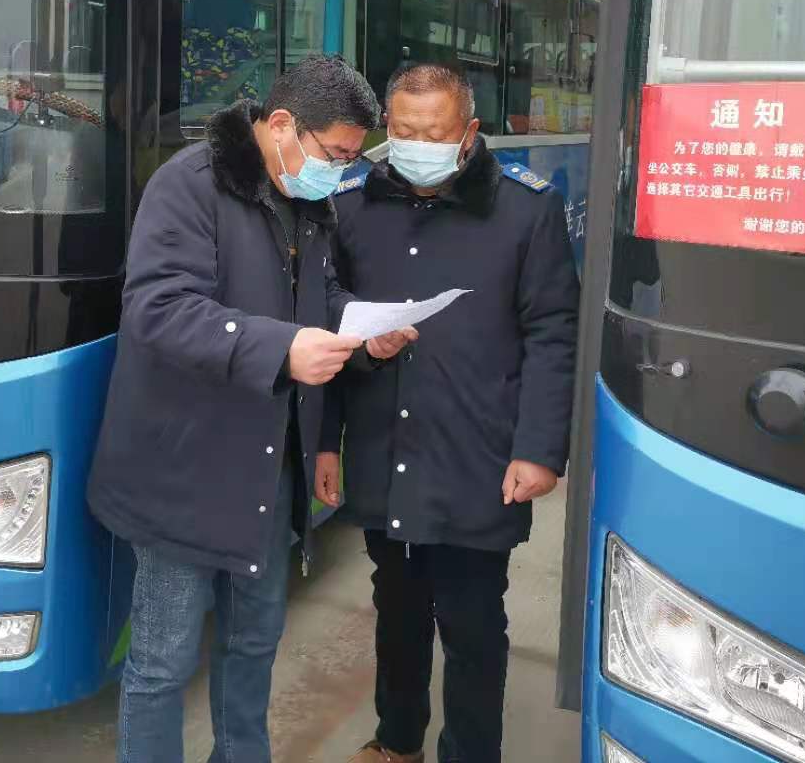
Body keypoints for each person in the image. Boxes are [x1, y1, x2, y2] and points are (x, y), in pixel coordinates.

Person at [88, 55, 412, 763]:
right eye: (336, 155)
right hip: (183, 474)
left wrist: (363, 331)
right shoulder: (190, 185)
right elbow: (159, 308)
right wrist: (282, 347)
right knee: (163, 662)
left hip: (269, 469)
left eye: (352, 160)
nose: (341, 172)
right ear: (283, 125)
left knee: (253, 643)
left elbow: (317, 299)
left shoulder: (307, 201)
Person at [317, 62, 580, 763]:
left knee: (472, 624)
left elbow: (553, 335)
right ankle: (397, 740)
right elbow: (325, 316)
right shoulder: (350, 206)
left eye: (434, 134)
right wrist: (328, 439)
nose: (417, 146)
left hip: (479, 453)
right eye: (403, 132)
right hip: (386, 442)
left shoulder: (525, 210)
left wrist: (539, 449)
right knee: (397, 608)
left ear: (468, 132)